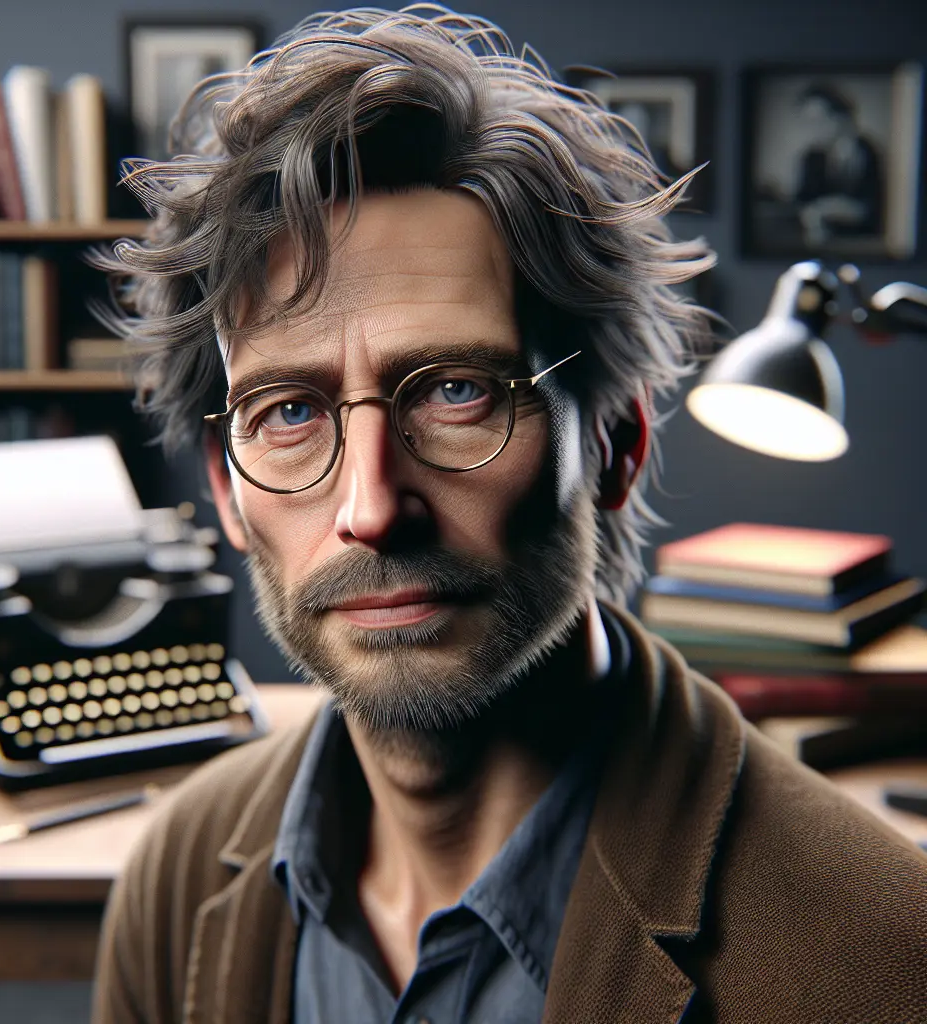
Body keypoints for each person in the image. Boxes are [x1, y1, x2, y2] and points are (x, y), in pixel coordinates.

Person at [91, 8, 927, 1023]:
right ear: (226, 491)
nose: (371, 507)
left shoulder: (884, 962)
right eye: (290, 413)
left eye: (458, 393)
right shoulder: (175, 884)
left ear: (614, 445)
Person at [792, 81, 884, 248]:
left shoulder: (871, 153)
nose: (813, 130)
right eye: (808, 123)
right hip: (819, 243)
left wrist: (837, 209)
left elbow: (876, 209)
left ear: (842, 117)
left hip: (864, 244)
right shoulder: (811, 157)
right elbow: (801, 201)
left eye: (818, 121)